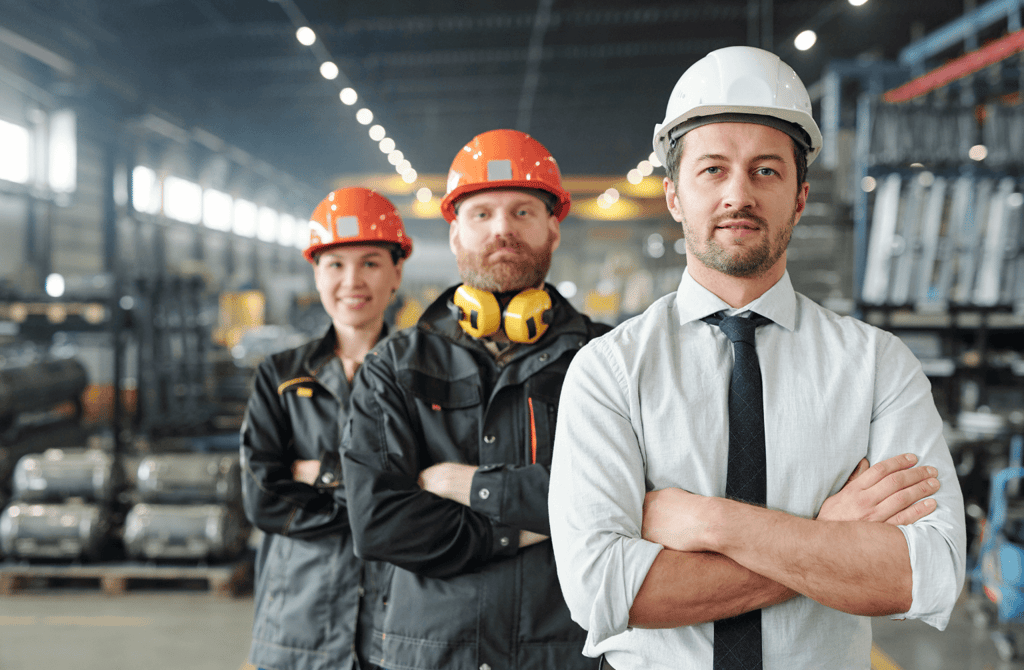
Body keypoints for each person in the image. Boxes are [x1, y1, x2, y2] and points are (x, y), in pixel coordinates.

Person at [548, 46, 967, 669]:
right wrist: (827, 538)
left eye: (766, 171)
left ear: (799, 197)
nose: (737, 194)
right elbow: (602, 590)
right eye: (712, 170)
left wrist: (710, 523)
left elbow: (925, 574)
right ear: (674, 196)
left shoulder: (879, 366)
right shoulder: (609, 371)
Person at [340, 129, 610, 670]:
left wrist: (462, 484)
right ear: (455, 233)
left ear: (554, 228)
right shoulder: (395, 366)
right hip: (434, 654)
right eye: (481, 214)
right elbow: (379, 523)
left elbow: (621, 501)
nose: (502, 228)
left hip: (565, 653)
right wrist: (527, 526)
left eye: (522, 212)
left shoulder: (606, 359)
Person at [240, 187, 411, 670]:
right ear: (316, 274)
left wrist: (321, 474)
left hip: (397, 623)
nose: (352, 280)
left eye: (371, 262)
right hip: (297, 621)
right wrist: (378, 500)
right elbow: (263, 499)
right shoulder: (280, 375)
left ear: (397, 272)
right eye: (335, 264)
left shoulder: (423, 376)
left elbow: (432, 503)